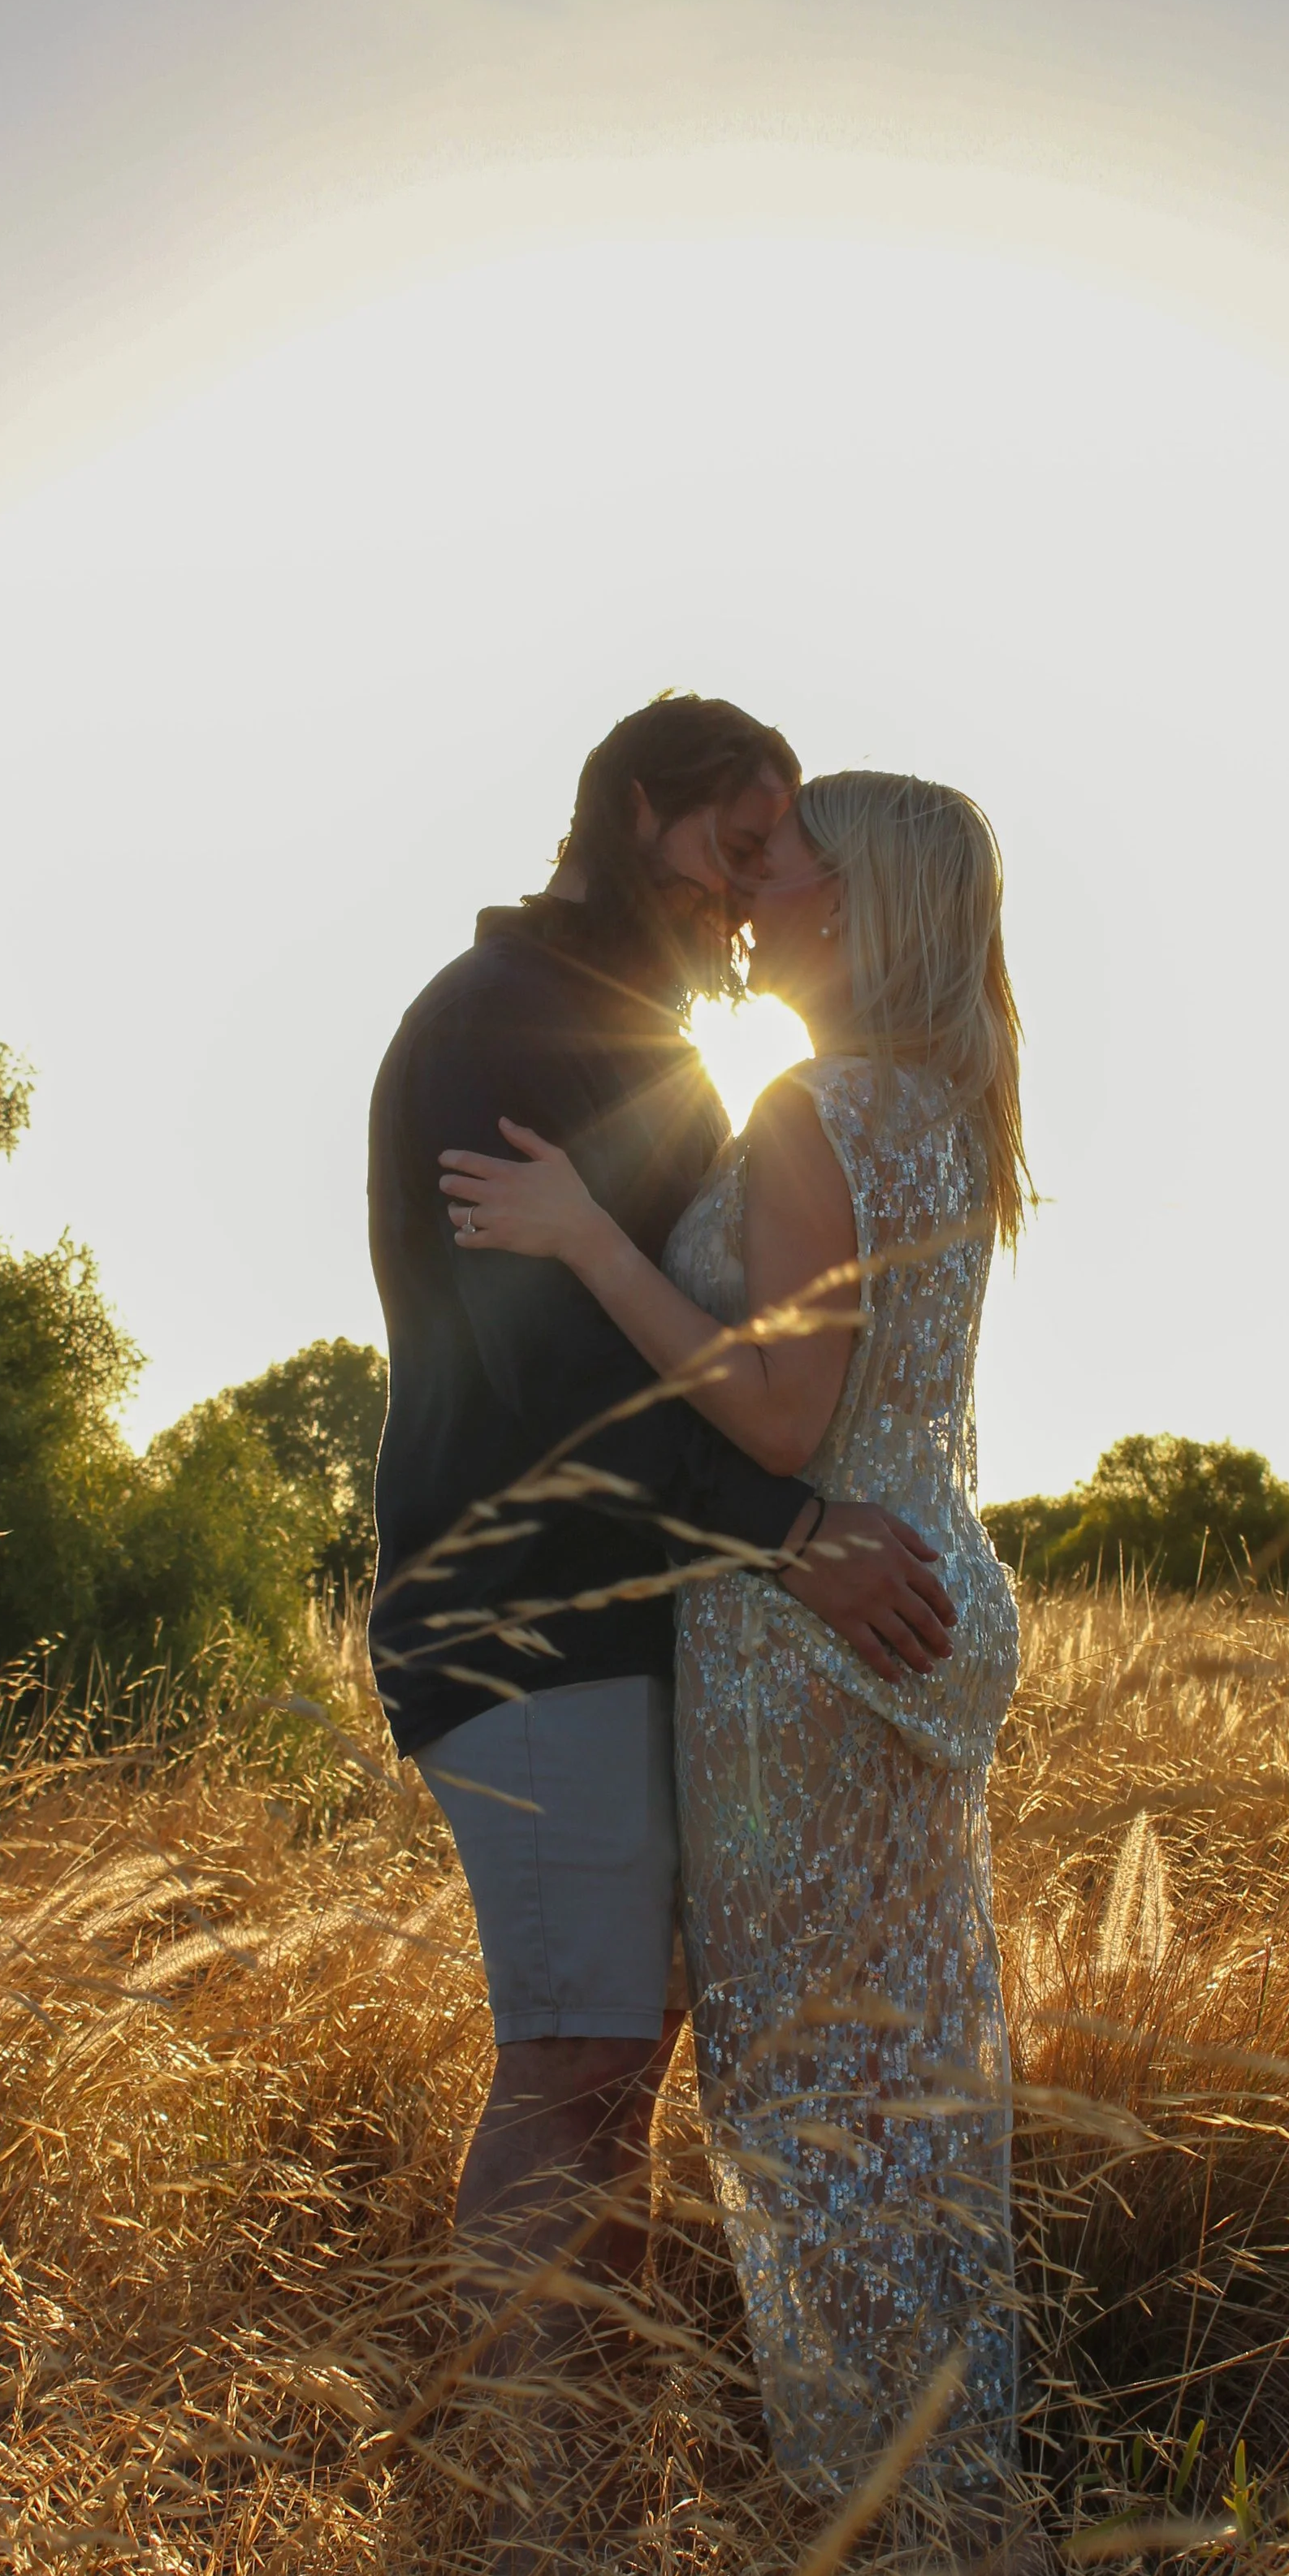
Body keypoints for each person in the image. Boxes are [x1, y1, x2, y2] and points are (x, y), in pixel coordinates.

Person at [438, 768, 1030, 2548]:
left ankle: (870, 2532)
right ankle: (947, 2497)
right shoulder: (945, 1107)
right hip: (922, 1613)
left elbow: (776, 1419)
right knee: (912, 2079)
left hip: (800, 1639)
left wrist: (587, 1238)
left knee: (804, 2096)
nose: (751, 892)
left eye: (785, 865)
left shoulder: (808, 1107)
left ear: (861, 906)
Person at [367, 700, 960, 2375]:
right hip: (523, 1613)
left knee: (620, 2062)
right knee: (571, 2064)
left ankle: (591, 2502)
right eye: (738, 841)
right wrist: (786, 1529)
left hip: (633, 1621)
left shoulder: (632, 1032)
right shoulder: (503, 1024)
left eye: (776, 853)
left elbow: (704, 1342)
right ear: (642, 815)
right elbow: (539, 1367)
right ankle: (538, 2518)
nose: (752, 885)